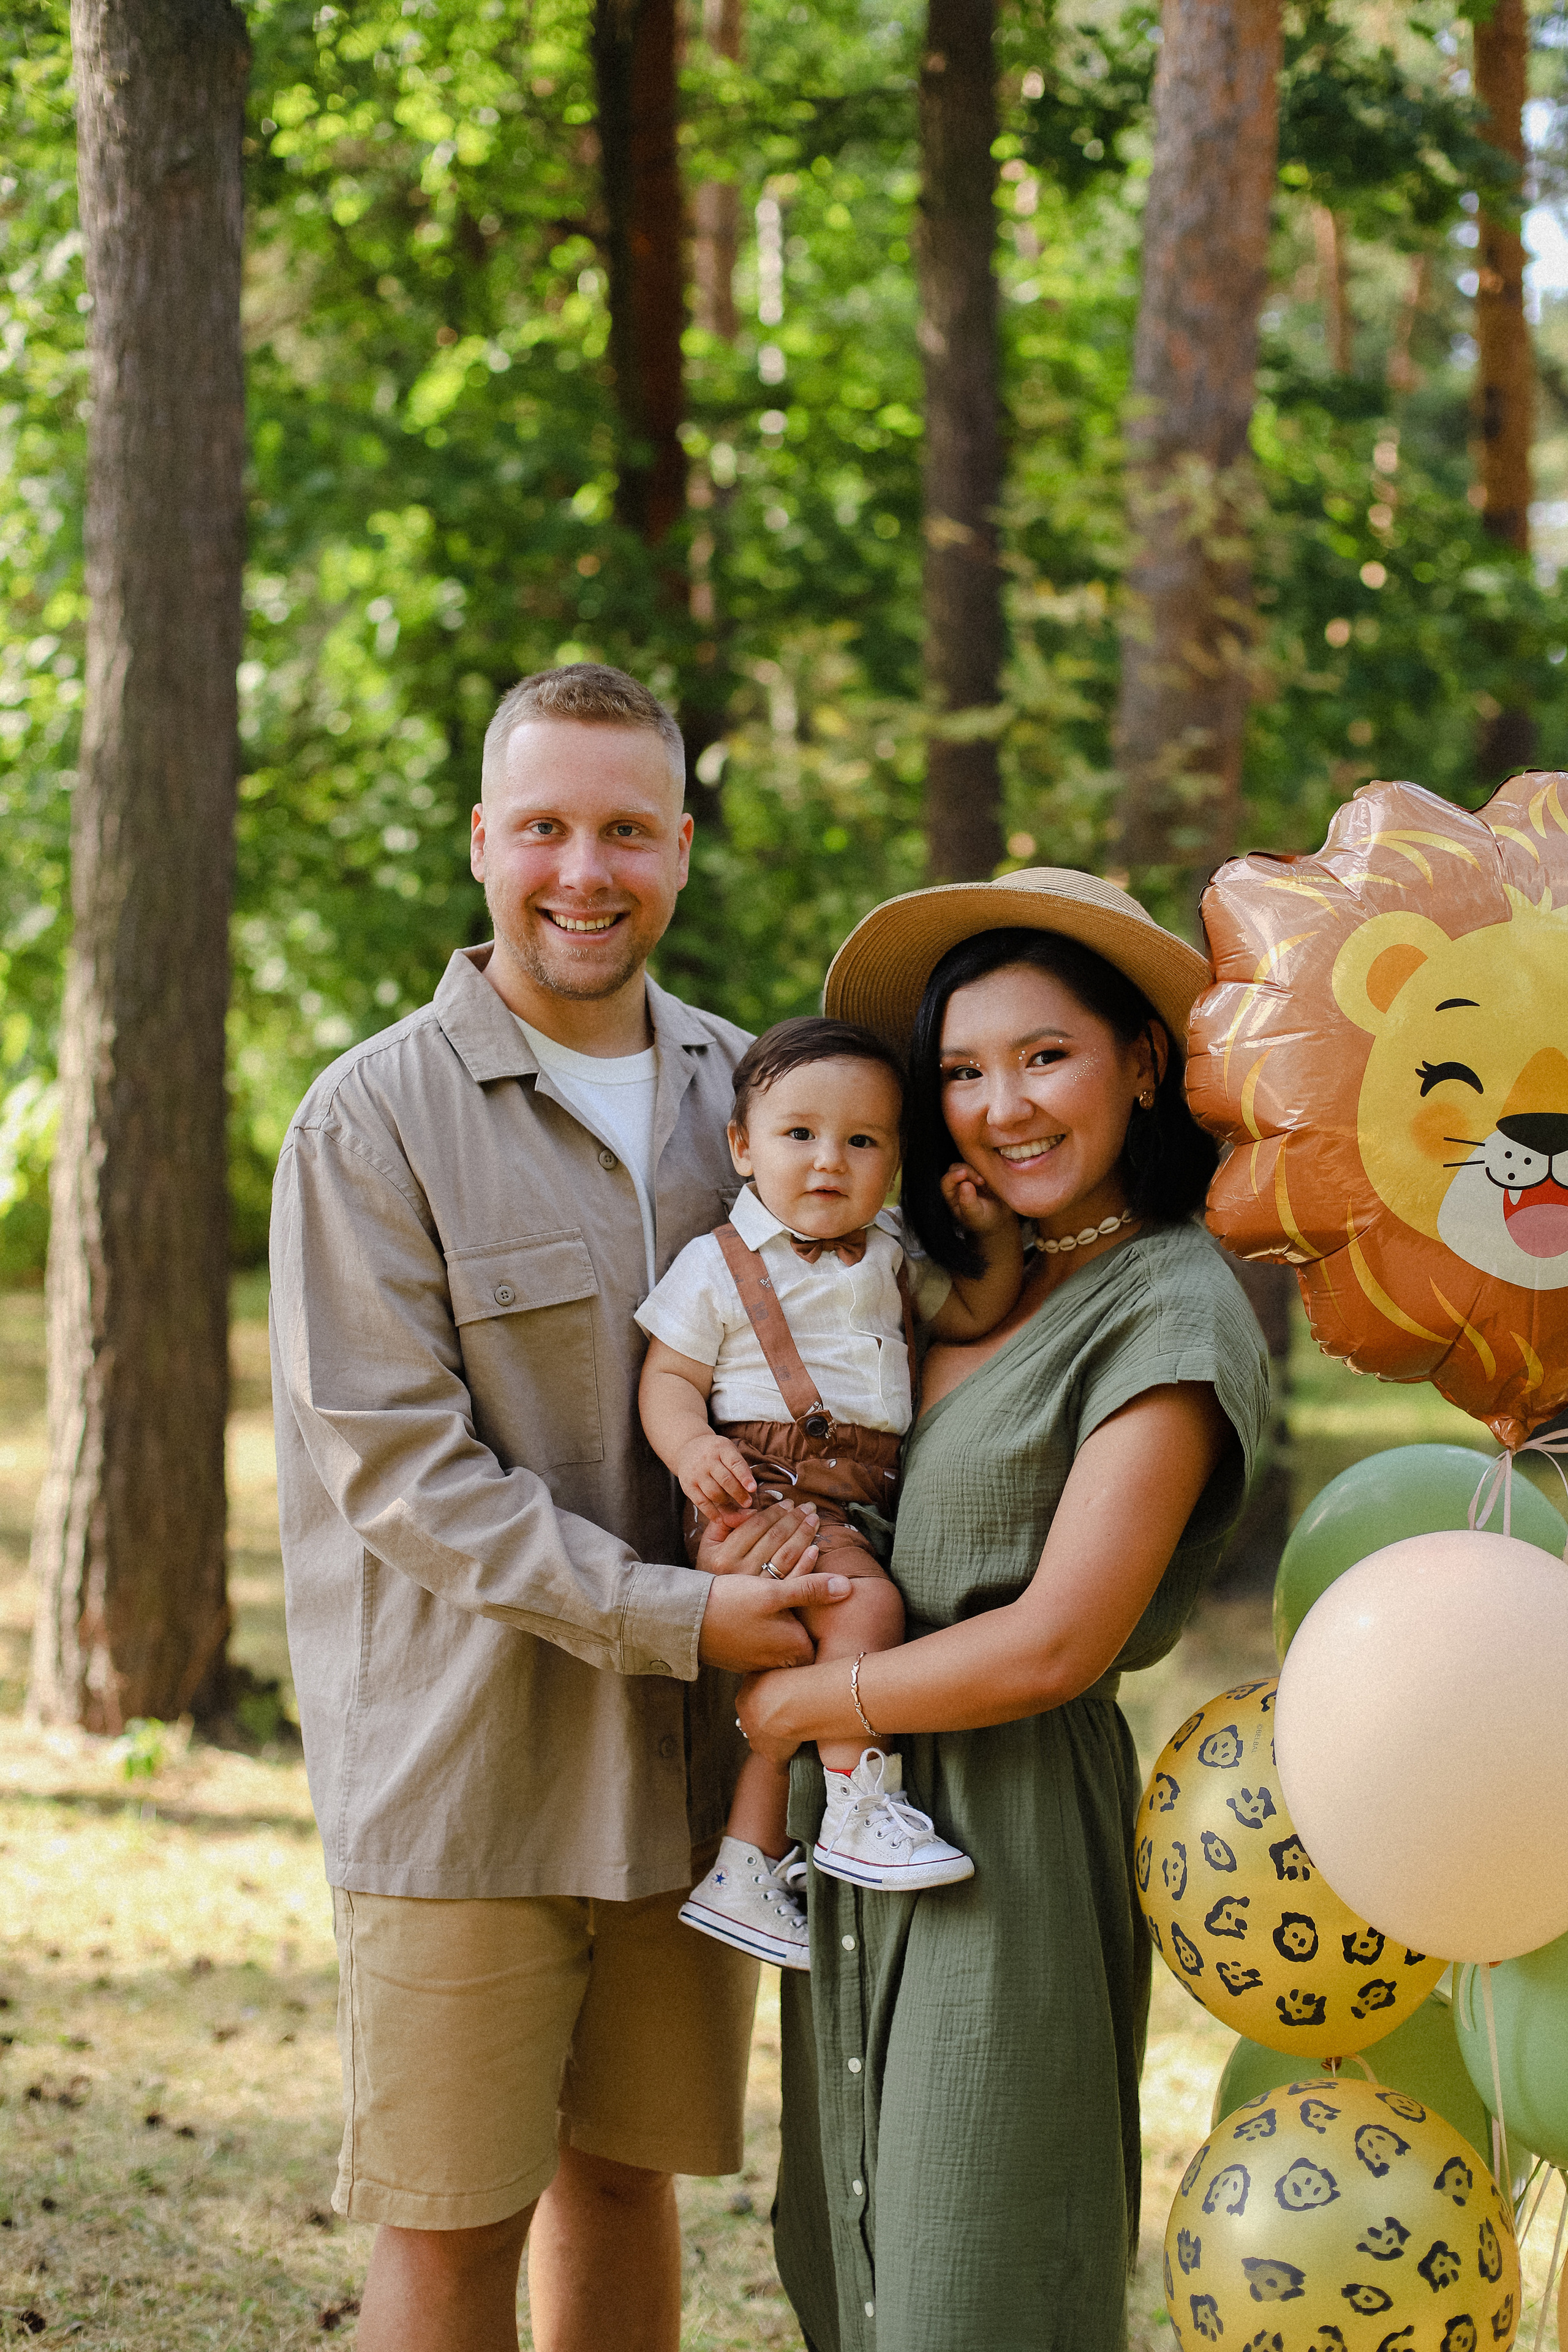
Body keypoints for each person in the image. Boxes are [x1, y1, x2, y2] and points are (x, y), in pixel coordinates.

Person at [268, 662, 855, 2352]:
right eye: (542, 828)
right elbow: (406, 1476)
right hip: (471, 1770)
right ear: (480, 843)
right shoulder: (369, 1119)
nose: (581, 871)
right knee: (452, 2230)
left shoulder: (767, 1101)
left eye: (622, 829)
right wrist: (687, 1616)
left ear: (681, 844)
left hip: (691, 1779)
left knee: (627, 2182)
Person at [737, 869, 1272, 2352]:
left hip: (1007, 1837)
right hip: (858, 1824)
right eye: (962, 1072)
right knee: (850, 2258)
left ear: (1142, 1065)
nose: (1000, 1107)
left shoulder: (1167, 1303)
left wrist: (797, 1708)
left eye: (1045, 1057)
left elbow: (1057, 1639)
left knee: (973, 2282)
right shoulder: (967, 1283)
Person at [635, 1016, 1025, 1967]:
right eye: (798, 1135)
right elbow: (667, 1379)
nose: (827, 1162)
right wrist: (692, 1455)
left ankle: (744, 1867)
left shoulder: (892, 1253)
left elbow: (976, 1309)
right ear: (743, 1147)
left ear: (893, 1159)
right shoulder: (718, 1263)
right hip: (759, 1484)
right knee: (864, 1606)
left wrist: (995, 1232)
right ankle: (857, 1804)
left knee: (797, 1677)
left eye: (862, 1141)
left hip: (850, 1495)